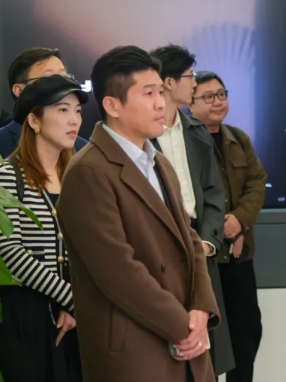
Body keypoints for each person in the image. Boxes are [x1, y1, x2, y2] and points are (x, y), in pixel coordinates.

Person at [56, 46, 220, 382]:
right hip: (135, 349)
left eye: (160, 91)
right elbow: (118, 272)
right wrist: (183, 325)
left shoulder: (159, 162)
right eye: (148, 94)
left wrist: (202, 308)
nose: (161, 103)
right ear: (112, 105)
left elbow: (190, 240)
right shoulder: (88, 171)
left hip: (186, 342)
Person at [149, 45, 235, 378]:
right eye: (189, 76)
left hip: (200, 241)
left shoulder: (196, 131)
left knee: (207, 340)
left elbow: (213, 192)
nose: (194, 83)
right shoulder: (145, 133)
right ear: (169, 82)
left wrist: (210, 242)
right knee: (169, 337)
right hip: (162, 241)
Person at [0, 75, 87, 382]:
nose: (74, 120)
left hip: (78, 317)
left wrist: (76, 307)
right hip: (28, 316)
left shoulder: (80, 175)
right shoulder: (8, 174)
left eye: (77, 111)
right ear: (34, 120)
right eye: (63, 110)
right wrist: (72, 298)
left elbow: (90, 246)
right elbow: (11, 251)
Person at [189, 71, 266, 382]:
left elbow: (256, 182)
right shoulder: (187, 142)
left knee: (247, 332)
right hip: (206, 259)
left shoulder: (237, 138)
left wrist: (240, 221)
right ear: (190, 103)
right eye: (208, 96)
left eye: (221, 94)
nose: (218, 102)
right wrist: (221, 229)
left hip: (238, 256)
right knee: (208, 339)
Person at [0, 48, 89, 157]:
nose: (60, 85)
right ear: (19, 91)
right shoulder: (3, 143)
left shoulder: (85, 152)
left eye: (63, 77)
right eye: (49, 79)